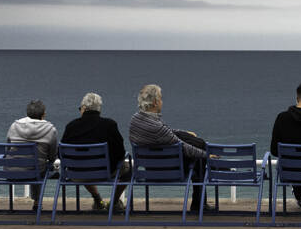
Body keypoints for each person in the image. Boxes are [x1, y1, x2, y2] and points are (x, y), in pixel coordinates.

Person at [128, 84, 212, 212]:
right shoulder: (157, 127)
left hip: (149, 167)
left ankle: (200, 202)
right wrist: (207, 155)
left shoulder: (135, 120)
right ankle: (199, 204)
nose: (162, 102)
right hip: (165, 170)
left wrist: (185, 133)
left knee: (195, 141)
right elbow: (184, 147)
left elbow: (168, 133)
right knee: (198, 154)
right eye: (161, 99)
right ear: (155, 103)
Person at [61, 92, 130, 211]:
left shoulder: (71, 126)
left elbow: (61, 153)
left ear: (83, 108)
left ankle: (98, 200)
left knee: (84, 164)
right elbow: (120, 152)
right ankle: (114, 202)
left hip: (77, 174)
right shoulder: (109, 125)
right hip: (104, 172)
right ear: (99, 109)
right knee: (130, 169)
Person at [7, 100, 58, 210]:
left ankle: (35, 202)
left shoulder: (14, 126)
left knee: (35, 164)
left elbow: (7, 148)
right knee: (39, 165)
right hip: (36, 172)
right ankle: (37, 202)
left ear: (27, 113)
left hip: (11, 171)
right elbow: (52, 156)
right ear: (43, 115)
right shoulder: (50, 130)